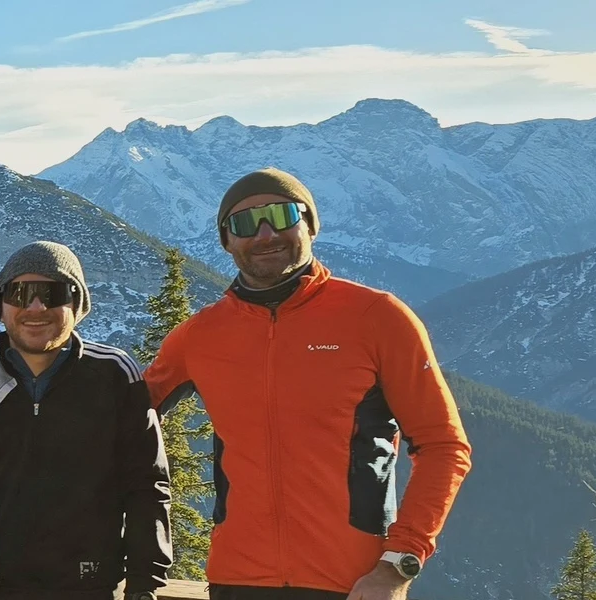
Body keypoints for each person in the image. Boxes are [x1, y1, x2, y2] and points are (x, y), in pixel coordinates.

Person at [144, 168, 473, 600]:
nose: (264, 234)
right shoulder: (199, 336)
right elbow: (114, 418)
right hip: (237, 581)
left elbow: (444, 446)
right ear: (227, 241)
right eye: (244, 223)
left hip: (354, 584)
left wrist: (399, 564)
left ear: (310, 225)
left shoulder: (377, 317)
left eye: (281, 216)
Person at [0, 241, 173, 600]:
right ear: (1, 306)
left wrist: (144, 590)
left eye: (52, 293)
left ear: (77, 303)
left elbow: (147, 487)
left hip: (89, 590)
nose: (35, 307)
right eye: (20, 293)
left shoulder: (115, 375)